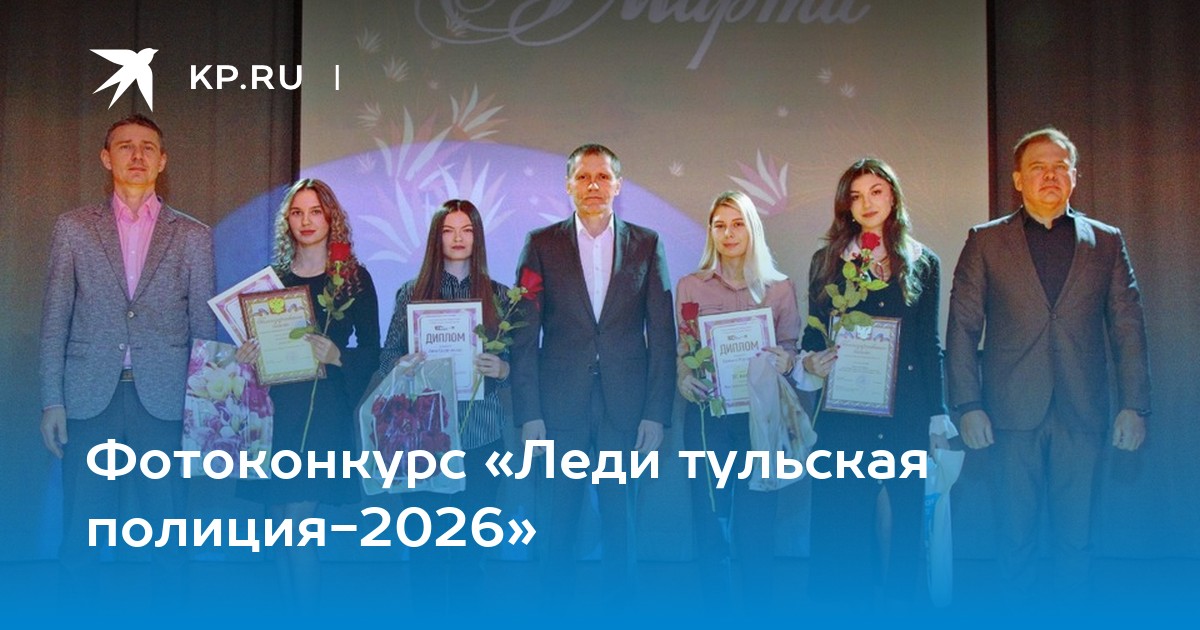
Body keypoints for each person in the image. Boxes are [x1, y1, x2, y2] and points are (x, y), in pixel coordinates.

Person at [946, 128, 1150, 604]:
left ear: (1075, 176)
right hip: (1008, 412)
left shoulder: (1106, 241)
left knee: (1078, 542)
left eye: (1060, 167)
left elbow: (1128, 327)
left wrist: (1135, 406)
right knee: (1013, 540)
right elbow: (962, 328)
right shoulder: (986, 241)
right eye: (1038, 167)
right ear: (1018, 180)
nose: (1050, 176)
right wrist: (968, 405)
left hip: (1084, 409)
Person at [38, 113, 216, 603]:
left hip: (165, 404)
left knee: (170, 537)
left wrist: (203, 413)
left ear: (162, 160)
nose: (137, 156)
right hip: (88, 399)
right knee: (80, 535)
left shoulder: (194, 235)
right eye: (124, 146)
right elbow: (55, 319)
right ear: (106, 158)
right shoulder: (73, 228)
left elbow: (203, 330)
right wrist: (52, 400)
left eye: (147, 147)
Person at [510, 143, 676, 605]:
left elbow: (663, 335)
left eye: (603, 177)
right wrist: (529, 413)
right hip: (558, 408)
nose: (593, 186)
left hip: (626, 406)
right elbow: (524, 337)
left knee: (622, 525)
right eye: (583, 177)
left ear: (618, 185)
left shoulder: (647, 244)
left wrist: (656, 413)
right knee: (557, 524)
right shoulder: (541, 244)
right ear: (568, 186)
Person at [796, 158, 950, 608]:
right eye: (856, 196)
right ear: (845, 205)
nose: (867, 203)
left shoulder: (923, 261)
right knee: (841, 525)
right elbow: (812, 337)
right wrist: (812, 361)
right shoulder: (826, 261)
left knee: (904, 526)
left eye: (876, 191)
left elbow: (929, 344)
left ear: (893, 197)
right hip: (844, 416)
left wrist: (937, 417)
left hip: (906, 413)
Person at [235, 178, 380, 610]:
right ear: (287, 222)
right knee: (279, 527)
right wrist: (247, 355)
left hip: (324, 413)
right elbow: (256, 348)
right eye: (297, 213)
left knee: (298, 524)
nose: (306, 221)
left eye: (315, 211)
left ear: (331, 218)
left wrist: (338, 355)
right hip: (277, 412)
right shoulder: (272, 281)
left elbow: (371, 349)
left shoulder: (353, 279)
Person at [376, 199, 510, 608]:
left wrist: (501, 368)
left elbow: (518, 365)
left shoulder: (500, 295)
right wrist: (403, 364)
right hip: (423, 438)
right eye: (448, 231)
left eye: (466, 230)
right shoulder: (411, 293)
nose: (457, 238)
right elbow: (387, 359)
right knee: (425, 553)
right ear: (436, 238)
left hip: (480, 436)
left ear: (478, 237)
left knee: (472, 553)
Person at [674, 190, 799, 610]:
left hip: (761, 422)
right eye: (720, 225)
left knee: (757, 525)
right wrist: (684, 378)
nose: (729, 233)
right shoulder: (690, 286)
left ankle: (758, 611)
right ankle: (715, 610)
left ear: (752, 229)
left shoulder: (779, 289)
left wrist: (786, 360)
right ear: (711, 232)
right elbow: (684, 351)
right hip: (709, 419)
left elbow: (791, 351)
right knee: (709, 520)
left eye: (738, 224)